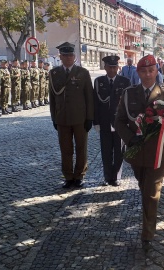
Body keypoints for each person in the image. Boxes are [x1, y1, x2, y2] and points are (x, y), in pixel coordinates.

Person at [114, 54, 164, 253]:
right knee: (144, 187)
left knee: (151, 192)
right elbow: (119, 121)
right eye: (144, 71)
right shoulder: (129, 93)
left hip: (159, 153)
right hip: (136, 151)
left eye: (151, 70)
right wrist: (131, 139)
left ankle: (147, 234)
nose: (148, 74)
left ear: (157, 71)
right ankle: (148, 220)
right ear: (138, 73)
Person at [49, 42, 94, 188]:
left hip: (80, 118)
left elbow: (89, 97)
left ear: (74, 56)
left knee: (81, 148)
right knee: (65, 149)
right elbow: (52, 98)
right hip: (62, 118)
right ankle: (68, 176)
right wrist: (54, 118)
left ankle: (79, 175)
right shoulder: (54, 74)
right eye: (65, 55)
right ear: (60, 57)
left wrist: (89, 118)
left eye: (70, 55)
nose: (68, 58)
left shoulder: (83, 73)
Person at [93, 55, 130, 186]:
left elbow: (128, 104)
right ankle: (107, 176)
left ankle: (116, 176)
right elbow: (95, 103)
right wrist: (95, 122)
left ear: (118, 67)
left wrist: (128, 123)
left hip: (119, 122)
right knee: (106, 151)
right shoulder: (99, 82)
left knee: (119, 151)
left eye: (115, 67)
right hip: (104, 121)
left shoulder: (125, 82)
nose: (112, 70)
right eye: (110, 67)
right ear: (105, 67)